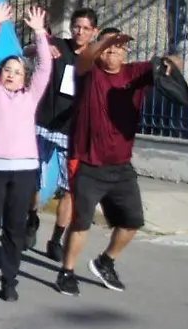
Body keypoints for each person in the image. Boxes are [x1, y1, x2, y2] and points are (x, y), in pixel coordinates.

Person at [55, 28, 179, 296]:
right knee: (81, 223)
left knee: (132, 221)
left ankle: (105, 261)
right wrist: (104, 41)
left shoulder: (136, 73)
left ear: (126, 53)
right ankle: (66, 271)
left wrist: (170, 65)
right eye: (108, 49)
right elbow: (87, 55)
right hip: (87, 162)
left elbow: (174, 61)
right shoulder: (89, 74)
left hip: (121, 165)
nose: (112, 53)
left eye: (118, 48)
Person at [0, 3, 51, 301]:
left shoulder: (30, 97)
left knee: (14, 229)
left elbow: (45, 67)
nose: (11, 74)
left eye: (17, 72)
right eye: (7, 70)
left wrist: (40, 33)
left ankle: (9, 281)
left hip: (23, 170)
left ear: (24, 78)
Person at [28, 8, 98, 260]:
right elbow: (28, 51)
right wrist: (39, 47)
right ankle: (31, 218)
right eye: (76, 26)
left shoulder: (96, 59)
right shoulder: (57, 44)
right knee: (32, 177)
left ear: (94, 32)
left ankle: (56, 239)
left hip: (74, 132)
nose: (79, 32)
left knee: (70, 189)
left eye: (85, 28)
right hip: (44, 124)